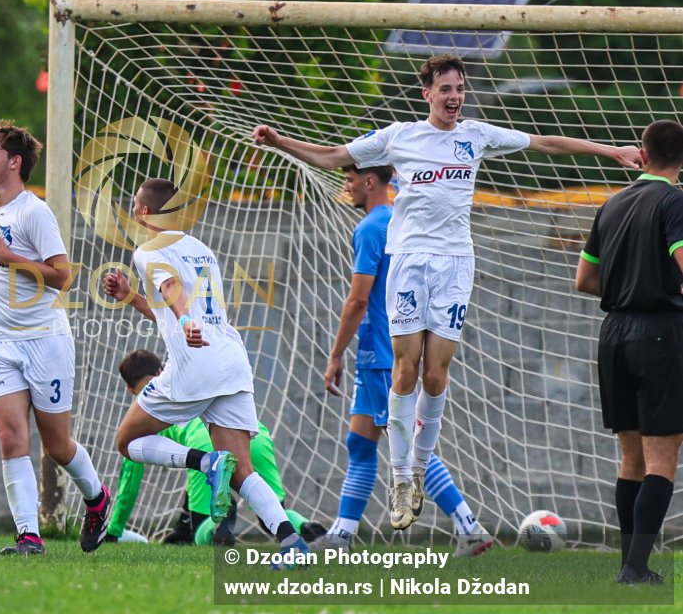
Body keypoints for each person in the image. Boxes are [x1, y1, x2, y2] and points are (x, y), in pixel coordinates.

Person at [253, 54, 641, 531]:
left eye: (459, 88)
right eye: (446, 89)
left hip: (456, 265)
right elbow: (334, 155)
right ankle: (401, 477)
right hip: (410, 263)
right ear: (428, 94)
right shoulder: (400, 136)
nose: (454, 96)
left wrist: (611, 151)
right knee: (406, 369)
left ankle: (417, 469)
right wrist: (278, 142)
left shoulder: (476, 136)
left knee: (436, 377)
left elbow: (545, 143)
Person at [103, 178, 311, 563]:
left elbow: (173, 293)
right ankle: (290, 542)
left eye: (134, 204)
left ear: (146, 212)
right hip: (231, 362)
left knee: (126, 442)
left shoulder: (148, 250)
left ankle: (204, 462)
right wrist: (130, 297)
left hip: (193, 366)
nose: (132, 210)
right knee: (242, 469)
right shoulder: (201, 249)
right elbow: (170, 306)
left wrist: (184, 323)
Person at [313, 164, 491, 556]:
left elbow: (358, 300)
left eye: (350, 179)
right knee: (360, 443)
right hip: (393, 348)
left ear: (370, 181)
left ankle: (468, 525)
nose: (347, 186)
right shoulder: (404, 221)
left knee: (405, 445)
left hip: (380, 354)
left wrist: (334, 354)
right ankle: (341, 537)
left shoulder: (371, 228)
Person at [0, 121, 109, 556]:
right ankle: (28, 537)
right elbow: (2, 273)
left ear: (14, 162)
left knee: (57, 446)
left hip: (44, 340)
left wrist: (7, 256)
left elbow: (62, 277)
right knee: (10, 437)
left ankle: (97, 500)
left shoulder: (35, 212)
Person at [575, 119, 683, 585]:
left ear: (641, 152)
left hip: (613, 333)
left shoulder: (612, 203)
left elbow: (583, 280)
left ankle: (630, 565)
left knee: (632, 459)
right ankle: (634, 568)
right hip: (659, 332)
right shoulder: (675, 200)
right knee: (662, 459)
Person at [105, 349, 324, 546]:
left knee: (201, 528)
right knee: (274, 516)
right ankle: (306, 526)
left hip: (206, 445)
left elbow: (130, 478)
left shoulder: (147, 406)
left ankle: (220, 524)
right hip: (253, 433)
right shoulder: (188, 378)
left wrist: (114, 530)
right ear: (161, 369)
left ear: (130, 388)